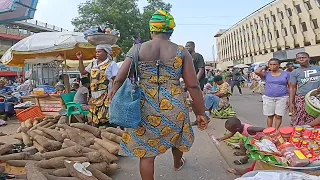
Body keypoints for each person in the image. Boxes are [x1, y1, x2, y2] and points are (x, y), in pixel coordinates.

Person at [108, 10, 208, 180]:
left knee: (147, 153)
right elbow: (193, 85)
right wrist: (200, 112)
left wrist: (114, 98)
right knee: (178, 136)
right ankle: (177, 163)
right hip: (174, 103)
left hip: (144, 105)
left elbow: (119, 79)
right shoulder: (182, 52)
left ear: (151, 30)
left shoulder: (137, 49)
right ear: (171, 31)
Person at [77, 43, 119, 126]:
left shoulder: (111, 64)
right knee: (93, 118)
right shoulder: (93, 63)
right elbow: (83, 72)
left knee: (105, 117)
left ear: (106, 52)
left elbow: (116, 79)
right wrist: (80, 59)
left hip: (106, 94)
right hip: (94, 96)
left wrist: (114, 93)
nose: (97, 54)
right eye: (96, 52)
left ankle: (107, 132)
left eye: (99, 52)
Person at [254, 58, 290, 130]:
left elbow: (290, 86)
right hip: (269, 97)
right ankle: (269, 130)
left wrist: (289, 97)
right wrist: (265, 67)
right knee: (270, 115)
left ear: (279, 65)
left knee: (278, 116)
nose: (272, 66)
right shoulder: (266, 74)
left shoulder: (286, 74)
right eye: (271, 64)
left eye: (274, 64)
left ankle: (276, 130)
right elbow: (257, 71)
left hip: (282, 97)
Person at [289, 52, 320, 126]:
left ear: (309, 59)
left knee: (316, 116)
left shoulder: (318, 68)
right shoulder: (294, 72)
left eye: (304, 57)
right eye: (299, 58)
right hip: (302, 98)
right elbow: (292, 88)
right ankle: (302, 132)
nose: (301, 59)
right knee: (301, 118)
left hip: (317, 97)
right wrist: (291, 102)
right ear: (296, 60)